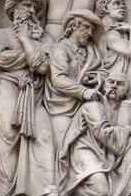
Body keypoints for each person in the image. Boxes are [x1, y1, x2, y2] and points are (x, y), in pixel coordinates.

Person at [0, 0, 55, 196]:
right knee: (8, 137)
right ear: (14, 11)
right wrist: (32, 54)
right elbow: (1, 60)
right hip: (7, 88)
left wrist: (24, 40)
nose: (32, 11)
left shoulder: (45, 37)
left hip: (34, 93)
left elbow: (43, 66)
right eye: (26, 6)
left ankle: (46, 192)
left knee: (44, 134)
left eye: (34, 7)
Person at [57, 72, 131, 196]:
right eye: (111, 82)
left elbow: (118, 139)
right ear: (105, 85)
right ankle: (70, 192)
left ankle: (130, 191)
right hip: (87, 150)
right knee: (102, 191)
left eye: (120, 84)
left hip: (109, 152)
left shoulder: (123, 109)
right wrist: (130, 129)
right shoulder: (93, 105)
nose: (114, 86)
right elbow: (104, 133)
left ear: (127, 92)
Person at [44, 9, 106, 147]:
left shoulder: (91, 50)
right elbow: (58, 79)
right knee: (65, 145)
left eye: (91, 30)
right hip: (62, 106)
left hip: (86, 104)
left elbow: (103, 69)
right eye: (86, 27)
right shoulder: (60, 49)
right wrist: (83, 91)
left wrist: (96, 78)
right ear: (74, 26)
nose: (90, 33)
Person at [96, 0, 131, 74]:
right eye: (116, 3)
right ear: (105, 8)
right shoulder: (109, 34)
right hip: (113, 82)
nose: (122, 6)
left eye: (123, 4)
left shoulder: (112, 31)